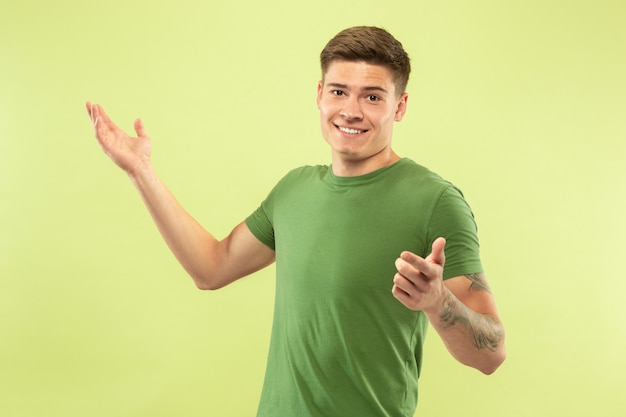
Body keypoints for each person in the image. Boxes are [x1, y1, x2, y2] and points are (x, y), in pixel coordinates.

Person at [86, 26, 505, 417]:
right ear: (320, 94)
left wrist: (437, 302)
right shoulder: (293, 190)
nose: (351, 111)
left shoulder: (435, 201)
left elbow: (491, 354)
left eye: (373, 97)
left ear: (401, 106)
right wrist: (140, 170)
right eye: (339, 91)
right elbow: (210, 268)